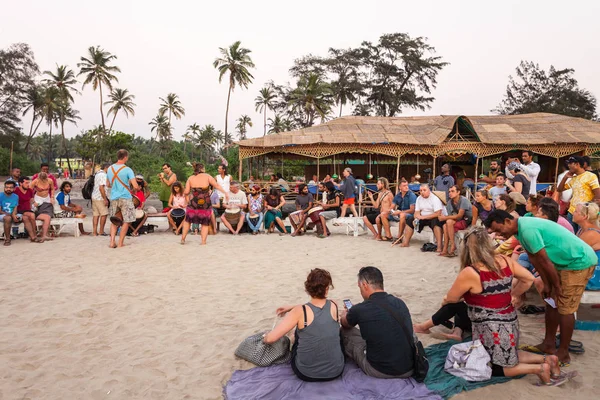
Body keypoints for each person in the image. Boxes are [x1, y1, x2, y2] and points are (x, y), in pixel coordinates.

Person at [442, 226, 565, 385]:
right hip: (509, 319)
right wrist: (514, 294)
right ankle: (550, 359)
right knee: (509, 353)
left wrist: (445, 300)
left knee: (491, 365)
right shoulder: (505, 260)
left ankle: (539, 369)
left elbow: (452, 298)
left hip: (488, 326)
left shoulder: (471, 272)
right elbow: (528, 279)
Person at [485, 210, 597, 366]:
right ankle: (548, 344)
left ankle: (563, 354)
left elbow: (544, 260)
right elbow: (534, 258)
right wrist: (547, 284)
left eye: (498, 230)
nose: (498, 235)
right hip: (562, 263)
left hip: (577, 263)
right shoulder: (519, 230)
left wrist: (556, 285)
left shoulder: (528, 229)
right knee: (551, 301)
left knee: (565, 308)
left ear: (508, 221)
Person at [263, 268, 344, 381]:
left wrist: (265, 337)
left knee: (297, 331)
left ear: (308, 289)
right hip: (336, 370)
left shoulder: (299, 311)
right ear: (327, 289)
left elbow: (271, 339)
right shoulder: (334, 305)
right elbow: (316, 306)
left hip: (307, 373)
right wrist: (291, 307)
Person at [340, 267, 415, 379]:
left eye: (360, 287)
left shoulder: (361, 309)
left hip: (380, 370)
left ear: (365, 285)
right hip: (409, 368)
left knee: (346, 332)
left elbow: (345, 324)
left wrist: (344, 315)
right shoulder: (399, 302)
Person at [181, 163, 228, 244]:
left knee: (188, 220)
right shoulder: (207, 176)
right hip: (205, 203)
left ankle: (183, 239)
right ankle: (203, 242)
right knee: (205, 222)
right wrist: (225, 193)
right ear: (202, 169)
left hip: (193, 202)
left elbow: (187, 192)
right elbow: (216, 185)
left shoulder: (190, 178)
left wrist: (185, 196)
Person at [557, 155, 600, 232]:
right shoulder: (574, 178)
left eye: (571, 163)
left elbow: (598, 195)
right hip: (571, 212)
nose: (568, 166)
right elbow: (559, 189)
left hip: (584, 213)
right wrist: (565, 177)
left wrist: (586, 208)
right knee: (572, 235)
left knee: (583, 235)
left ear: (577, 164)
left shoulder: (591, 176)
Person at [107, 149, 140, 248]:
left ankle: (112, 242)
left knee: (114, 220)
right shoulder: (128, 169)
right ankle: (120, 242)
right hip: (125, 197)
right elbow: (135, 185)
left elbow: (108, 184)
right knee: (127, 220)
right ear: (125, 157)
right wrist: (136, 188)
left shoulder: (110, 168)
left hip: (113, 197)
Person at [572, 202, 600, 290]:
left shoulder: (591, 233)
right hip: (586, 270)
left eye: (576, 212)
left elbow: (573, 254)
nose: (573, 213)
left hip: (592, 276)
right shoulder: (582, 230)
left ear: (584, 216)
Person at [440, 185, 473, 257]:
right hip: (457, 221)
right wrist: (446, 218)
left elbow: (459, 216)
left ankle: (452, 245)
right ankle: (445, 248)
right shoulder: (449, 202)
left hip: (466, 220)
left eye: (452, 191)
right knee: (445, 225)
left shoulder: (463, 200)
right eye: (449, 192)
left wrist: (444, 218)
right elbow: (451, 216)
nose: (450, 193)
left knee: (448, 222)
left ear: (458, 192)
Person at [412, 184, 444, 251]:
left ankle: (439, 246)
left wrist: (424, 217)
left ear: (429, 190)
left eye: (424, 190)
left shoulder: (435, 198)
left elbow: (438, 213)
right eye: (420, 190)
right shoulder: (419, 198)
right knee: (410, 220)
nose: (422, 192)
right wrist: (416, 218)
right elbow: (417, 211)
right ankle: (405, 242)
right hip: (422, 217)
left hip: (433, 216)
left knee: (435, 223)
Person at [14, 176, 47, 243]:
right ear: (20, 183)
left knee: (26, 218)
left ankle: (32, 237)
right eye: (26, 183)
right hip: (19, 209)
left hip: (27, 209)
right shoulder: (16, 191)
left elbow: (31, 199)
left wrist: (34, 203)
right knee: (31, 215)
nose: (28, 185)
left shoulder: (30, 190)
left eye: (28, 183)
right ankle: (35, 235)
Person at [390, 179, 417, 245]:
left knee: (402, 215)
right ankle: (388, 236)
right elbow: (392, 207)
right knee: (383, 214)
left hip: (410, 215)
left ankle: (399, 237)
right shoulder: (398, 195)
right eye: (404, 185)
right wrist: (392, 211)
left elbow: (412, 210)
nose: (406, 187)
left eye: (407, 185)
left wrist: (399, 212)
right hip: (399, 213)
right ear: (400, 187)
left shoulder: (411, 195)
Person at [1, 181, 20, 246]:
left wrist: (14, 215)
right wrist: (11, 215)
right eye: (7, 187)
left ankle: (32, 236)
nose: (8, 189)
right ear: (4, 188)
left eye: (10, 187)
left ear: (14, 188)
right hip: (2, 214)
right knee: (8, 218)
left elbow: (15, 208)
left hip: (11, 214)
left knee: (23, 217)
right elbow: (0, 211)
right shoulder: (0, 196)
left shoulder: (16, 196)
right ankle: (8, 239)